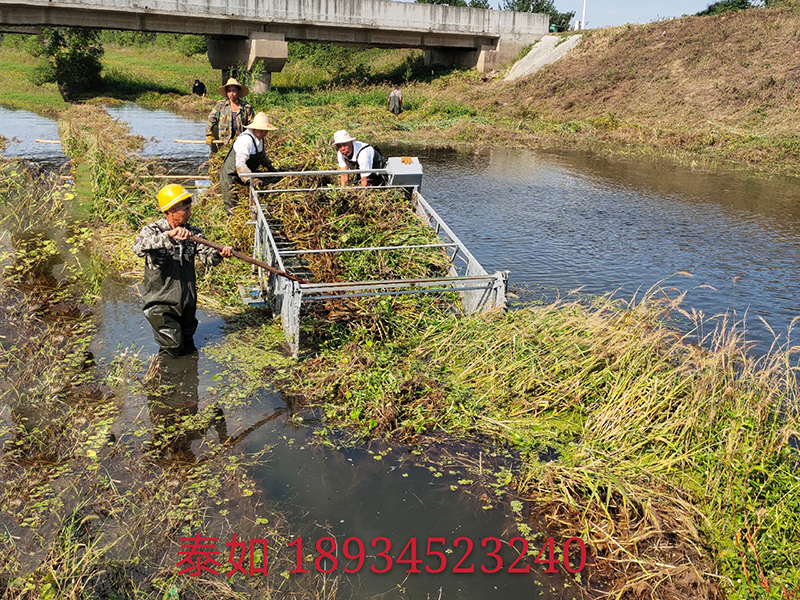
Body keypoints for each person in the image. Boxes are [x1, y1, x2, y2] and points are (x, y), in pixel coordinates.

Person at [132, 184, 233, 357]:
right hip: (160, 303)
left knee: (188, 345)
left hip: (186, 301)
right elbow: (137, 248)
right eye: (185, 209)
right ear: (171, 210)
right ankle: (166, 378)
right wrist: (168, 237)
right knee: (173, 347)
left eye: (189, 208)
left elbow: (208, 259)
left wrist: (220, 253)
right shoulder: (153, 231)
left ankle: (188, 380)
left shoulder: (192, 232)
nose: (189, 213)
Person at [219, 112, 279, 215]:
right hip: (232, 175)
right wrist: (252, 179)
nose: (265, 133)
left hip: (246, 173)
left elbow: (261, 155)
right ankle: (230, 221)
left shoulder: (260, 138)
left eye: (266, 131)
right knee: (233, 206)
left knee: (248, 201)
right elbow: (240, 164)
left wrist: (270, 167)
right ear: (255, 129)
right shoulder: (246, 140)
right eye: (262, 130)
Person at [205, 77, 254, 153]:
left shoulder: (246, 107)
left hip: (240, 142)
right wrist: (209, 134)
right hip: (224, 142)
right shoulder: (221, 105)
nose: (231, 93)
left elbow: (252, 124)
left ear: (238, 92)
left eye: (234, 90)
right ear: (227, 93)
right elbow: (211, 119)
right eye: (229, 91)